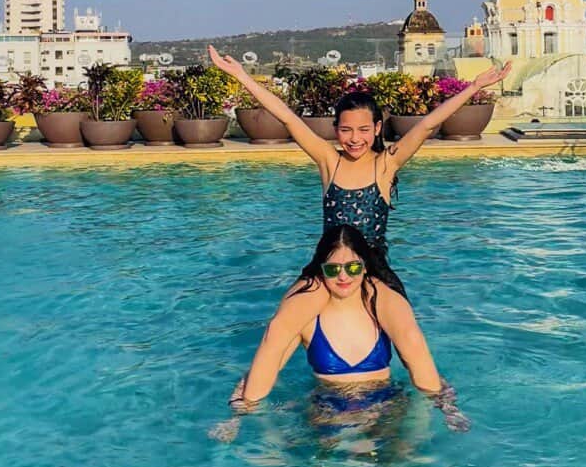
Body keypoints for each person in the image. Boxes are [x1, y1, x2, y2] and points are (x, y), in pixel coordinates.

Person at [207, 43, 511, 295]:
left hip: (373, 270)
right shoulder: (329, 161)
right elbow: (287, 117)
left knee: (405, 331)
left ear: (377, 128)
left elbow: (428, 124)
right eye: (346, 130)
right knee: (281, 319)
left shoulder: (386, 163)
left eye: (364, 130)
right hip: (327, 267)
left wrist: (474, 86)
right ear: (336, 129)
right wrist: (241, 76)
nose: (355, 138)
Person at [211, 224, 469, 438]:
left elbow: (419, 359)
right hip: (327, 407)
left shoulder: (382, 306)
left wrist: (447, 406)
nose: (343, 277)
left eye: (353, 268)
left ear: (365, 266)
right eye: (333, 269)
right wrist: (238, 414)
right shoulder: (307, 317)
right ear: (322, 269)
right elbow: (270, 361)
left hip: (384, 403)